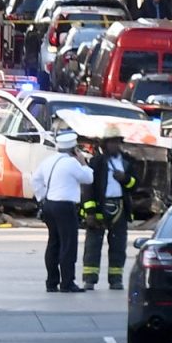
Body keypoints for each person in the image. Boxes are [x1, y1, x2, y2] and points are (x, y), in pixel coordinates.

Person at [32, 131, 94, 293]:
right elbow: (88, 178)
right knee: (68, 244)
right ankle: (67, 282)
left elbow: (35, 179)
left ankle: (51, 282)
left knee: (53, 243)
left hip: (50, 205)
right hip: (65, 207)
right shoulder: (72, 163)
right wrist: (84, 163)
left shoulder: (48, 161)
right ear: (74, 150)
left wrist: (42, 196)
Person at [81, 125, 137, 291]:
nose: (114, 145)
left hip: (120, 208)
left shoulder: (127, 162)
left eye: (116, 142)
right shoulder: (97, 162)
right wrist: (90, 213)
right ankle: (90, 279)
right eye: (111, 142)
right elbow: (88, 188)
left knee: (118, 246)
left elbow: (136, 185)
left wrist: (125, 179)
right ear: (105, 144)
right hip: (100, 208)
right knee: (93, 245)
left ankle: (115, 279)